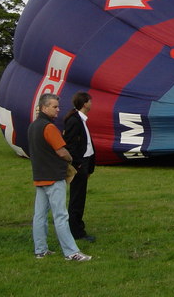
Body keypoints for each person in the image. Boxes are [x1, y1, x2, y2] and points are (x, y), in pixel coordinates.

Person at [28, 93, 92, 261]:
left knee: (39, 215)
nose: (58, 110)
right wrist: (71, 159)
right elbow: (62, 151)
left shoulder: (33, 126)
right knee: (61, 216)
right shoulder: (49, 128)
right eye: (54, 107)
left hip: (39, 176)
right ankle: (71, 252)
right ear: (44, 108)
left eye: (58, 106)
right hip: (54, 177)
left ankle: (40, 250)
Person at [63, 92, 96, 242]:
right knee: (77, 198)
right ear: (85, 104)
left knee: (80, 197)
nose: (91, 103)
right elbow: (70, 144)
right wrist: (78, 164)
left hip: (85, 162)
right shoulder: (74, 121)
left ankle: (77, 227)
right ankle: (76, 231)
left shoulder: (81, 120)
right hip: (80, 164)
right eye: (90, 101)